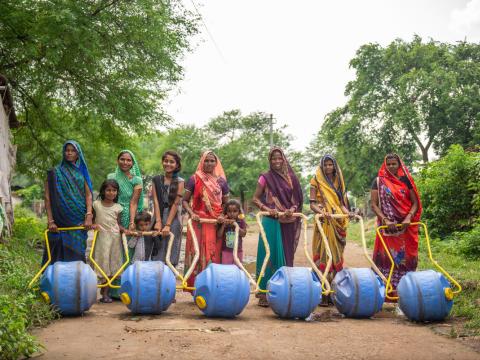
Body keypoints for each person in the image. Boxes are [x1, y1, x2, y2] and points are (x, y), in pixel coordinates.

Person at [252, 147, 303, 306]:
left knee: (286, 255)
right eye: (273, 159)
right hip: (270, 221)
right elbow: (255, 199)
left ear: (284, 159)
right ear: (270, 160)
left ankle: (283, 290)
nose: (276, 161)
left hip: (288, 221)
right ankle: (264, 293)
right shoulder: (265, 178)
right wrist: (268, 209)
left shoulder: (292, 178)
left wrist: (292, 210)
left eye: (279, 158)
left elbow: (297, 201)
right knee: (268, 254)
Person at [370, 153, 422, 297]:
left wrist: (408, 218)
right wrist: (385, 219)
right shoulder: (379, 181)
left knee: (407, 259)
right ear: (385, 165)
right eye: (389, 164)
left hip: (406, 228)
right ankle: (384, 294)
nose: (392, 166)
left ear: (399, 165)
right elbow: (374, 205)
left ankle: (406, 295)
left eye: (394, 164)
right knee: (387, 259)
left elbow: (415, 203)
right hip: (387, 228)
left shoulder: (406, 180)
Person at [183, 151, 229, 289]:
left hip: (215, 224)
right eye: (206, 161)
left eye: (212, 161)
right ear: (202, 162)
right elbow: (184, 201)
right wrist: (192, 214)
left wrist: (222, 216)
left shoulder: (221, 181)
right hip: (198, 222)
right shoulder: (194, 179)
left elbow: (226, 203)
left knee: (213, 253)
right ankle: (195, 286)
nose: (209, 163)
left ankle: (211, 285)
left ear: (216, 163)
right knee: (197, 253)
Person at [44, 140, 93, 264]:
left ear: (78, 154)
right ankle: (54, 280)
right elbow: (47, 198)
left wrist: (88, 215)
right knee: (56, 251)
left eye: (73, 151)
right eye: (67, 150)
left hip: (78, 220)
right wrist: (50, 221)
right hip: (59, 221)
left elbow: (88, 195)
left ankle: (76, 279)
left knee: (77, 251)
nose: (69, 153)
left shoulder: (82, 173)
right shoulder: (54, 173)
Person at [107, 150, 144, 297]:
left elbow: (134, 202)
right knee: (114, 250)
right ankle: (113, 290)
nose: (125, 162)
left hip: (129, 215)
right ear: (117, 160)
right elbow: (108, 196)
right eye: (122, 159)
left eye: (129, 160)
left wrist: (132, 222)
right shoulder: (111, 177)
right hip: (112, 214)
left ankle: (128, 289)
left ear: (133, 163)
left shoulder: (137, 180)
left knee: (129, 252)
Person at [309, 156, 351, 279]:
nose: (328, 167)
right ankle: (322, 286)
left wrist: (348, 213)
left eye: (330, 165)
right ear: (322, 166)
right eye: (325, 165)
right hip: (324, 222)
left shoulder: (339, 180)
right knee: (324, 252)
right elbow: (312, 204)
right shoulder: (315, 180)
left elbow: (341, 204)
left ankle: (335, 284)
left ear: (334, 166)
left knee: (337, 252)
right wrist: (322, 212)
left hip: (338, 220)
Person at [92, 179, 124, 303]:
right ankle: (101, 291)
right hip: (101, 238)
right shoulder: (96, 205)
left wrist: (126, 230)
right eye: (108, 190)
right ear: (103, 191)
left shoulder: (118, 207)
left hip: (115, 238)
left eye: (114, 190)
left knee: (112, 263)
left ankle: (106, 292)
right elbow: (92, 220)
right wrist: (93, 224)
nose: (111, 193)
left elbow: (118, 224)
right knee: (102, 263)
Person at [151, 151, 184, 266]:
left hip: (173, 219)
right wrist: (158, 221)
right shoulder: (156, 180)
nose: (168, 164)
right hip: (158, 216)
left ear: (177, 165)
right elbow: (155, 200)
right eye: (166, 161)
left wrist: (168, 225)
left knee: (172, 247)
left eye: (172, 162)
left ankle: (169, 277)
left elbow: (175, 204)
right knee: (157, 246)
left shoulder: (180, 182)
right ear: (162, 162)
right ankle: (156, 275)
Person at [217, 199, 247, 265]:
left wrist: (235, 225)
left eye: (235, 211)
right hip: (226, 252)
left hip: (238, 251)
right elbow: (219, 235)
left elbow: (243, 234)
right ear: (226, 212)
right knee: (226, 270)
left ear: (239, 212)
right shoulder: (223, 221)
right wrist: (223, 226)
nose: (232, 213)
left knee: (238, 270)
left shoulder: (241, 221)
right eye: (229, 211)